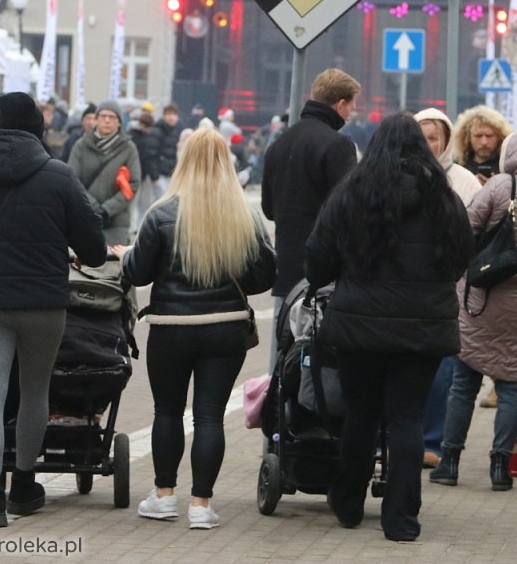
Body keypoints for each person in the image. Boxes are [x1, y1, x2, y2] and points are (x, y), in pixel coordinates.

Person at [0, 92, 106, 530]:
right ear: (37, 129)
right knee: (35, 391)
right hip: (44, 302)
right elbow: (95, 250)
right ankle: (24, 487)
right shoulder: (58, 175)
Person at [306, 113, 472, 542]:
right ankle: (401, 518)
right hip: (423, 329)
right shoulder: (444, 200)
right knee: (407, 418)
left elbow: (317, 259)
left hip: (359, 328)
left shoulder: (352, 195)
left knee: (361, 414)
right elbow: (460, 259)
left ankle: (347, 502)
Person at [119, 128, 275, 530]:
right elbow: (263, 276)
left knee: (167, 411)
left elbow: (137, 273)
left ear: (183, 162)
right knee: (209, 415)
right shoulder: (244, 215)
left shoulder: (161, 212)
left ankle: (164, 496)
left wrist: (126, 256)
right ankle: (201, 505)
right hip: (225, 330)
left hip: (171, 328)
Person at [431, 127, 517, 492]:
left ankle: (449, 462)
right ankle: (500, 467)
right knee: (512, 390)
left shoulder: (498, 186)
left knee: (463, 385)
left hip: (483, 299)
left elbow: (467, 229)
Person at [261, 68, 360, 364]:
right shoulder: (338, 146)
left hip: (286, 272)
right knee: (318, 367)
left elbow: (268, 208)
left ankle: (278, 411)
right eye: (352, 106)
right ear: (340, 104)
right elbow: (348, 211)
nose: (352, 114)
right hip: (324, 277)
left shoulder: (279, 143)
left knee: (283, 362)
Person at [414, 108, 483, 468]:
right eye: (420, 137)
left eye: (433, 137)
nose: (427, 145)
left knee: (444, 368)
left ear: (444, 140)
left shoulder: (463, 181)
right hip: (407, 291)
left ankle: (432, 441)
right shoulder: (398, 176)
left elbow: (470, 236)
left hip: (448, 290)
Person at [67, 99, 141, 246]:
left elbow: (133, 184)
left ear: (119, 122)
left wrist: (107, 209)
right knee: (83, 263)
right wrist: (92, 206)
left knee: (112, 265)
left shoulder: (128, 148)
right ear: (96, 119)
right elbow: (72, 180)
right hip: (86, 217)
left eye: (112, 117)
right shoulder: (81, 145)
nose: (107, 120)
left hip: (117, 220)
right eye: (103, 116)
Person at [453, 105, 513, 185]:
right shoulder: (458, 168)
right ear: (467, 138)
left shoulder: (508, 167)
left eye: (489, 136)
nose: (484, 142)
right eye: (478, 136)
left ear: (499, 137)